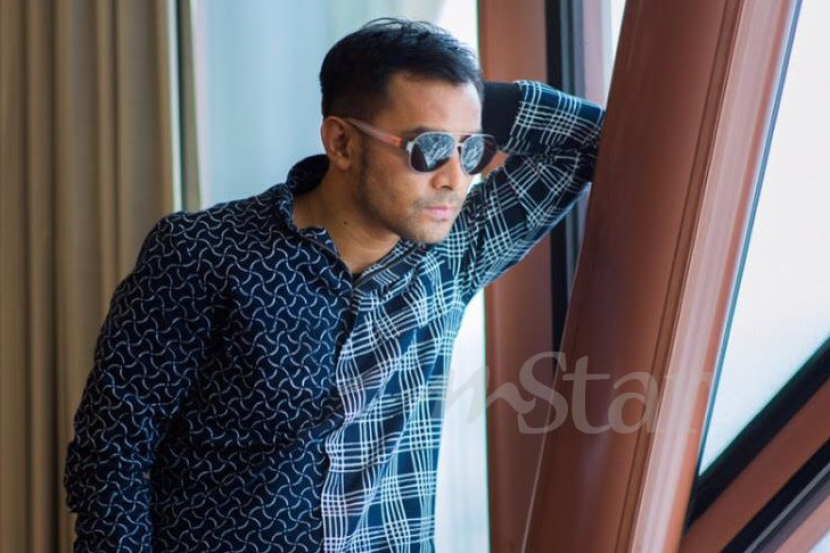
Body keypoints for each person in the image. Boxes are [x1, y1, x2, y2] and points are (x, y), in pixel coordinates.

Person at [64, 16, 605, 552]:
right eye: (428, 147)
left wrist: (467, 100)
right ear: (341, 142)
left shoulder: (451, 254)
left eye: (470, 149)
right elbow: (112, 454)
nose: (453, 178)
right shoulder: (203, 253)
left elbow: (592, 139)